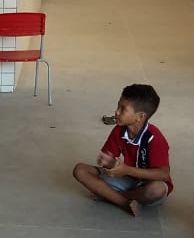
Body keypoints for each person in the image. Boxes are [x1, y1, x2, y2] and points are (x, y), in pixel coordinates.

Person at [72, 83, 173, 216]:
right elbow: (110, 160)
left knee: (156, 190)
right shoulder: (119, 129)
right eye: (118, 106)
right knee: (80, 170)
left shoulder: (154, 138)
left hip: (147, 185)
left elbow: (163, 174)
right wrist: (109, 163)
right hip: (126, 179)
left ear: (140, 116)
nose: (117, 112)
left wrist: (126, 169)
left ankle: (109, 196)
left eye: (123, 109)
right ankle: (124, 203)